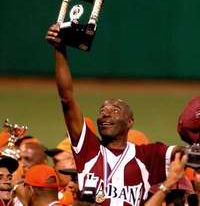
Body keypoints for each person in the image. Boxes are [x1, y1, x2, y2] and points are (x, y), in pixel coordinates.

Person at [46, 24, 181, 206]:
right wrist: (59, 49)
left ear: (130, 121)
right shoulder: (88, 150)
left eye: (115, 111)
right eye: (102, 111)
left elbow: (184, 155)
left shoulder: (147, 155)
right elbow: (67, 99)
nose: (106, 115)